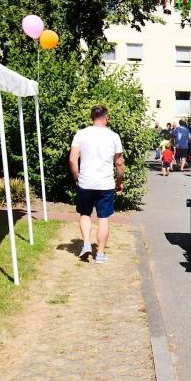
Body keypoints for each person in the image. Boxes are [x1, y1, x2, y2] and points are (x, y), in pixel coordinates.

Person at [69, 105, 125, 263]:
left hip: (85, 182)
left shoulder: (81, 134)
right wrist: (120, 181)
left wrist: (76, 176)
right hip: (105, 183)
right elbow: (119, 163)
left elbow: (73, 159)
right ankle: (100, 254)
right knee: (103, 218)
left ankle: (86, 244)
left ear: (91, 117)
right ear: (106, 118)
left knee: (85, 214)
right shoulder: (114, 136)